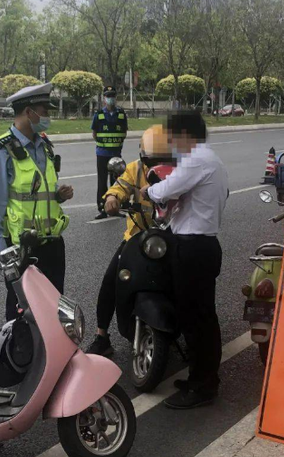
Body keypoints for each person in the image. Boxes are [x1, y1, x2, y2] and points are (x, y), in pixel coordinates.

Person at [141, 111, 229, 409]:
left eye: (173, 136)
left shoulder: (196, 159)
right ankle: (201, 378)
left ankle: (203, 386)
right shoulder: (212, 159)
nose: (171, 143)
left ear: (185, 135)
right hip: (203, 246)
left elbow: (166, 189)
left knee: (196, 319)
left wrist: (148, 190)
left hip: (192, 248)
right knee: (203, 317)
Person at [0, 83, 74, 321]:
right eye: (44, 111)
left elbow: (37, 193)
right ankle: (19, 356)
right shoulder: (0, 150)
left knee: (54, 311)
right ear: (28, 112)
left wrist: (58, 195)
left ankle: (54, 357)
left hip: (53, 244)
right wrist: (1, 252)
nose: (47, 117)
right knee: (22, 314)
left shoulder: (45, 145)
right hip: (21, 248)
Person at [86, 125, 172, 356]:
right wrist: (112, 198)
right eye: (152, 159)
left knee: (190, 280)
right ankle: (102, 336)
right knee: (110, 281)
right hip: (137, 236)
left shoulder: (178, 171)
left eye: (162, 159)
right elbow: (119, 187)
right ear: (143, 156)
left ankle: (193, 333)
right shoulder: (134, 169)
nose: (156, 165)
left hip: (170, 237)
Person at [91, 85, 128, 220]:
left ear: (115, 98)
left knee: (116, 181)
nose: (110, 98)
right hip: (102, 153)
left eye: (112, 96)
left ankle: (116, 207)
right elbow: (94, 133)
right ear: (104, 98)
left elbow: (124, 132)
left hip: (116, 154)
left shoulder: (121, 114)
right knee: (102, 182)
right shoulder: (99, 114)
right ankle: (102, 208)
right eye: (108, 96)